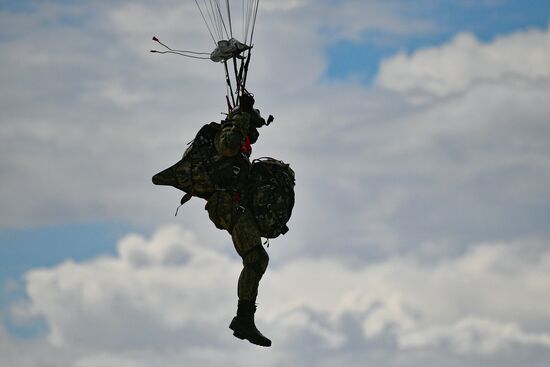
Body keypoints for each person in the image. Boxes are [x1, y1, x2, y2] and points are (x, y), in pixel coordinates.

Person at [153, 93, 273, 347]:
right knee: (255, 258)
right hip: (228, 206)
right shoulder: (226, 135)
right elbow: (227, 144)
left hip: (231, 204)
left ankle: (244, 319)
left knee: (257, 259)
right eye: (254, 126)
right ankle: (244, 320)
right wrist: (240, 119)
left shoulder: (237, 145)